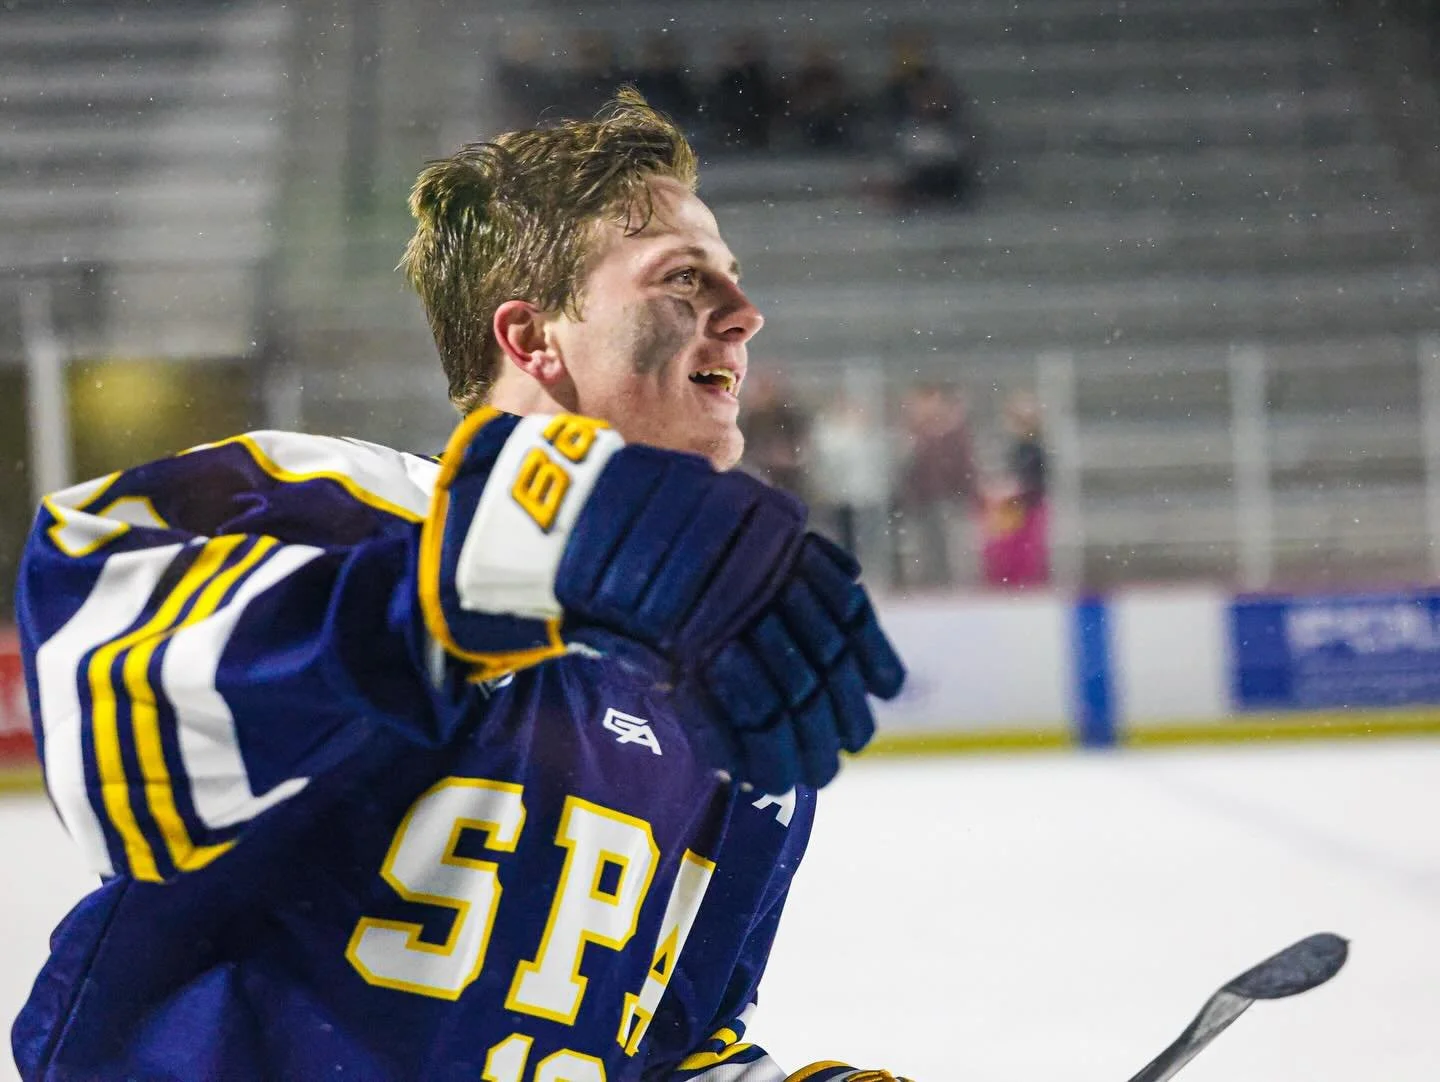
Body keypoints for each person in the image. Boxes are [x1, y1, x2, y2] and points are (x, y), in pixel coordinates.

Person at [11, 91, 908, 1082]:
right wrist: (476, 580)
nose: (742, 318)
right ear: (534, 341)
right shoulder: (339, 513)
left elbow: (659, 1047)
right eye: (682, 281)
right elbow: (111, 731)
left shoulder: (732, 712)